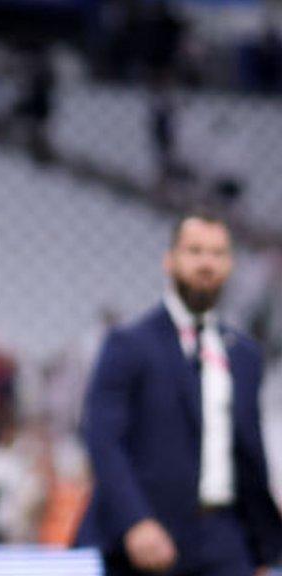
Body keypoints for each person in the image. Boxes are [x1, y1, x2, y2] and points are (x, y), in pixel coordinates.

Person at [77, 212, 282, 575]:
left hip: (225, 538)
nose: (207, 263)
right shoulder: (129, 344)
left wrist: (261, 547)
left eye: (218, 253)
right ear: (169, 260)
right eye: (195, 251)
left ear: (230, 264)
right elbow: (104, 440)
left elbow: (249, 454)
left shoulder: (244, 356)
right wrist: (135, 520)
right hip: (150, 536)